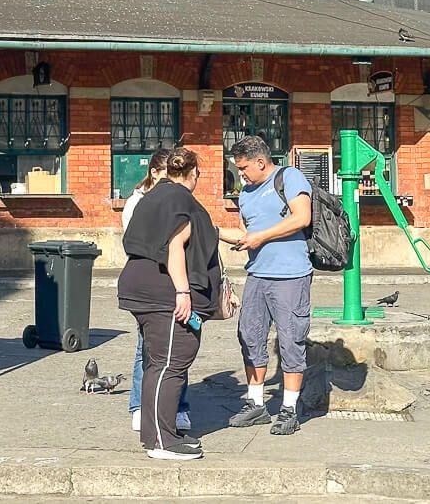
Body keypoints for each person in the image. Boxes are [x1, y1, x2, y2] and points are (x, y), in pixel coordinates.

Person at [118, 147, 220, 460]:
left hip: (140, 286)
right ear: (194, 174)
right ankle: (162, 441)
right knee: (171, 364)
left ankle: (158, 435)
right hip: (163, 293)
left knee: (157, 364)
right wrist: (183, 293)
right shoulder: (181, 199)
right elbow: (176, 246)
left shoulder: (153, 195)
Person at [219, 136, 312, 437]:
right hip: (257, 275)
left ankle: (289, 409)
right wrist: (214, 231)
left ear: (260, 162)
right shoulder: (245, 193)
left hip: (290, 275)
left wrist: (262, 237)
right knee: (250, 336)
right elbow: (248, 234)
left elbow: (302, 217)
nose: (241, 174)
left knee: (290, 340)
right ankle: (256, 404)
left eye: (244, 168)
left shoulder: (289, 177)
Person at [121, 150, 191, 433]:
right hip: (151, 284)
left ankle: (179, 407)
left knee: (179, 349)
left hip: (170, 282)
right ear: (154, 173)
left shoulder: (177, 200)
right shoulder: (138, 203)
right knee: (146, 350)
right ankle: (140, 406)